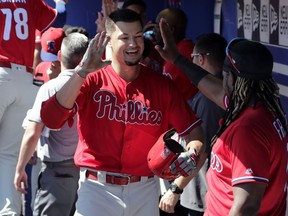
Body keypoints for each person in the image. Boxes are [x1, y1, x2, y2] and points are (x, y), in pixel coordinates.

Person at [40, 9, 205, 216]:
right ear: (109, 41)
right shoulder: (91, 79)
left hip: (144, 189)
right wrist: (81, 72)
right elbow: (51, 119)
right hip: (96, 189)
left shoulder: (162, 85)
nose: (133, 44)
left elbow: (195, 135)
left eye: (138, 37)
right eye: (125, 37)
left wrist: (187, 164)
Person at [156, 19, 288, 215]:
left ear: (231, 79)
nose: (220, 78)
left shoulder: (247, 130)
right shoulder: (260, 108)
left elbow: (247, 205)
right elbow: (215, 91)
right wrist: (177, 58)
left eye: (224, 73)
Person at [0, 0, 68, 215]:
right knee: (10, 156)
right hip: (24, 78)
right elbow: (60, 18)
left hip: (1, 74)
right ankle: (9, 212)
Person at [14, 32, 89, 216]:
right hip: (88, 175)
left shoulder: (51, 87)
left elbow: (32, 133)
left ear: (59, 56)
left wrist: (20, 168)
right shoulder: (96, 84)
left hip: (58, 174)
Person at [159, 33, 227, 215]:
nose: (192, 62)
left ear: (201, 59)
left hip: (204, 194)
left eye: (193, 58)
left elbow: (202, 150)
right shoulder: (216, 91)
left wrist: (176, 189)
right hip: (201, 192)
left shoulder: (209, 100)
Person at [154, 7, 198, 100]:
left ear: (169, 29)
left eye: (157, 26)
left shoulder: (187, 52)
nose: (154, 30)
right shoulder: (171, 51)